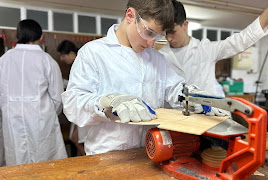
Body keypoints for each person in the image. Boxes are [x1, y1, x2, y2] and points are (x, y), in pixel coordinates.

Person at [61, 0, 224, 155]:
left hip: (150, 151)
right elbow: (73, 103)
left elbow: (175, 89)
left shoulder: (156, 58)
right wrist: (108, 103)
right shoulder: (94, 53)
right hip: (107, 155)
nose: (152, 43)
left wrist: (195, 97)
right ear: (130, 16)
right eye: (149, 32)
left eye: (158, 37)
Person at [159, 0, 268, 98]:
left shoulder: (205, 50)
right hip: (173, 119)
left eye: (172, 32)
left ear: (185, 25)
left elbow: (241, 41)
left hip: (204, 118)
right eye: (165, 33)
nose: (168, 38)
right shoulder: (160, 55)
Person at [0, 19, 67, 166]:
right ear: (40, 36)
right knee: (45, 164)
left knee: (17, 163)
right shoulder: (46, 60)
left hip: (12, 121)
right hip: (41, 121)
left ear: (19, 35)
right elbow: (57, 97)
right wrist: (47, 114)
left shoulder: (4, 60)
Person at [57, 40, 86, 156]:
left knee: (76, 138)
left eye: (63, 55)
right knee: (75, 138)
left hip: (83, 106)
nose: (61, 59)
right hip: (80, 107)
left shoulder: (82, 64)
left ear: (72, 54)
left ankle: (91, 160)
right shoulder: (77, 64)